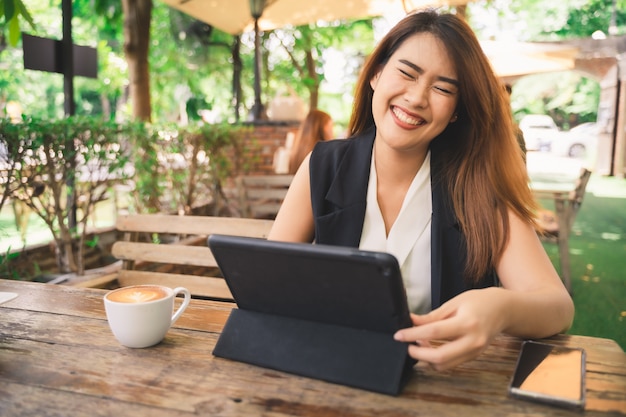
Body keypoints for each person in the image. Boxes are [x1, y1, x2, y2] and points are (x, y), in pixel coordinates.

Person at [268, 9, 574, 371]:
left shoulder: (476, 185)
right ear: (377, 74)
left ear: (457, 110)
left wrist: (501, 308)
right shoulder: (323, 165)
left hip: (439, 387)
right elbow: (268, 281)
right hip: (331, 371)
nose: (416, 98)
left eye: (443, 88)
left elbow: (557, 307)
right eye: (406, 73)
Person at [288, 109, 334, 175]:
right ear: (323, 127)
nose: (332, 130)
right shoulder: (323, 154)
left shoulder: (297, 151)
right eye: (331, 125)